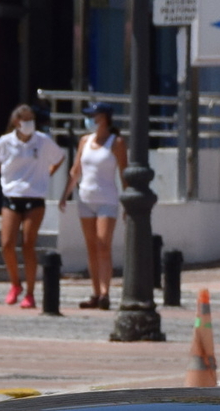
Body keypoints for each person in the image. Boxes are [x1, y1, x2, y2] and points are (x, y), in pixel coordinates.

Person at [0, 103, 66, 308]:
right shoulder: (6, 142)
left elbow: (59, 157)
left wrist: (46, 174)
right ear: (16, 122)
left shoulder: (43, 141)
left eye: (32, 119)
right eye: (25, 120)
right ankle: (15, 283)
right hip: (12, 195)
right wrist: (7, 176)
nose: (29, 124)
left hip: (34, 195)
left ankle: (30, 292)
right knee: (7, 243)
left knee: (28, 243)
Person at [60, 101, 124, 310]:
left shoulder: (116, 143)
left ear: (104, 118)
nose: (90, 120)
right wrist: (65, 195)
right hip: (85, 198)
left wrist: (128, 203)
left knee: (103, 244)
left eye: (94, 116)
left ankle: (106, 292)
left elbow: (124, 173)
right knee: (91, 247)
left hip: (107, 199)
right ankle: (95, 292)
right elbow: (76, 170)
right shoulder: (84, 141)